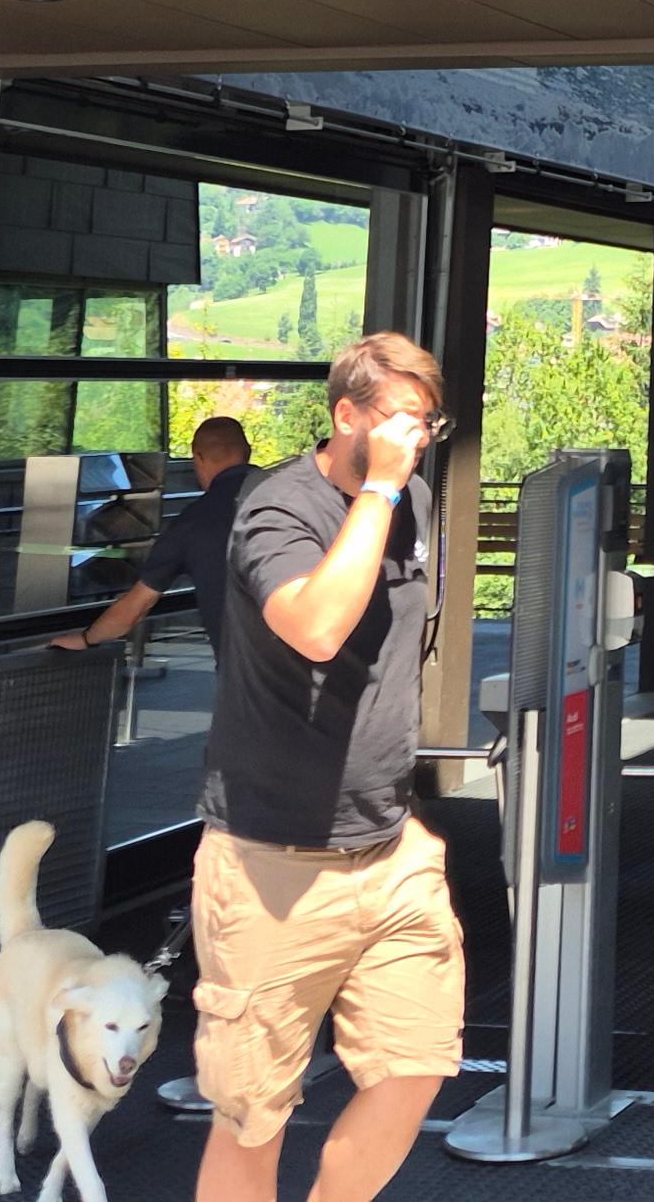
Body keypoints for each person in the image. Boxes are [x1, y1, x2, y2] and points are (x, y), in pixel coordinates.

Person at [187, 333, 462, 1202]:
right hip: (270, 862)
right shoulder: (277, 509)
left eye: (428, 423)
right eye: (402, 419)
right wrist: (377, 491)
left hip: (390, 852)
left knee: (418, 1061)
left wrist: (392, 489)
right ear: (347, 414)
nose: (416, 439)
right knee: (253, 1116)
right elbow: (315, 629)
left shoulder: (412, 497)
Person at [48, 415, 252, 661]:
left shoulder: (192, 522)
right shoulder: (286, 497)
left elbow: (136, 607)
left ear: (198, 459)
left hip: (247, 672)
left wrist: (86, 639)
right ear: (248, 451)